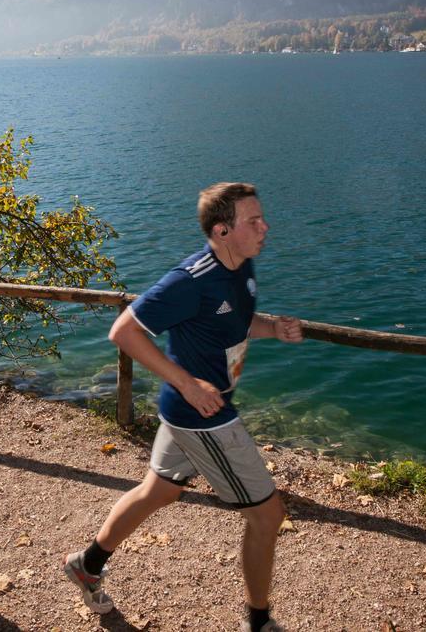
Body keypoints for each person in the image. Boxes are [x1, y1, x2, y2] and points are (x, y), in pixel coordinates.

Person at [63, 183, 304, 632]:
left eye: (262, 217)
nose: (265, 227)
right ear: (222, 230)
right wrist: (188, 383)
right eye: (254, 221)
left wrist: (273, 328)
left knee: (160, 491)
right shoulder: (189, 280)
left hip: (189, 409)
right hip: (203, 416)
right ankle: (260, 622)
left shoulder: (240, 267)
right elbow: (124, 332)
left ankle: (87, 563)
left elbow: (233, 321)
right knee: (267, 515)